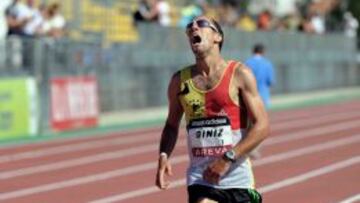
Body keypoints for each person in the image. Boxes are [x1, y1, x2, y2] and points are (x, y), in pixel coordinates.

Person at [155, 15, 269, 203]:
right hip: (201, 179)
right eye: (189, 27)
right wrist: (164, 154)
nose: (193, 28)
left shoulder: (240, 74)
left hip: (237, 180)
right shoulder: (179, 81)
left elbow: (262, 126)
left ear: (218, 37)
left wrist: (227, 159)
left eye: (201, 24)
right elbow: (171, 124)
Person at [245, 43, 275, 159]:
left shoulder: (247, 63)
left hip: (247, 96)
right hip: (262, 95)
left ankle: (247, 147)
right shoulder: (267, 64)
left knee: (248, 124)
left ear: (253, 51)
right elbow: (270, 81)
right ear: (263, 52)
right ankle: (255, 148)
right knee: (261, 123)